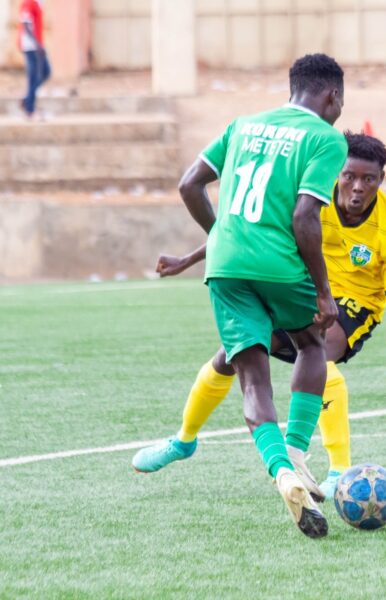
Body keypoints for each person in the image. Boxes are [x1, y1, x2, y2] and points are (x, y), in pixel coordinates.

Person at [133, 132, 386, 500]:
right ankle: (183, 440)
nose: (357, 187)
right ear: (337, 172)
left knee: (321, 353)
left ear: (381, 180)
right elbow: (251, 233)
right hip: (304, 286)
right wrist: (187, 260)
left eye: (368, 179)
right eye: (349, 176)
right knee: (230, 356)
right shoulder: (311, 201)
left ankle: (338, 470)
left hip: (355, 304)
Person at [134, 54, 347, 539]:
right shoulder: (325, 138)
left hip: (226, 266)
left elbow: (189, 184)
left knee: (251, 376)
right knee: (311, 344)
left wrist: (221, 237)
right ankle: (295, 451)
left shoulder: (243, 125)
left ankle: (281, 471)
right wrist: (323, 291)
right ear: (332, 96)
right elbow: (304, 217)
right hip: (281, 264)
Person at [17, 0, 51, 118]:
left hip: (37, 45)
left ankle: (27, 99)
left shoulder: (37, 3)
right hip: (30, 46)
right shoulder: (28, 3)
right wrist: (36, 44)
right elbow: (26, 24)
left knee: (45, 72)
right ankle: (29, 108)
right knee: (34, 77)